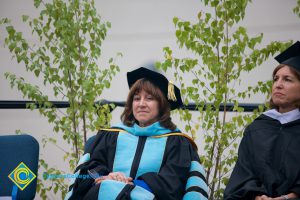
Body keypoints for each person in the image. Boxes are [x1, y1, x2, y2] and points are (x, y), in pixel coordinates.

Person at [65, 67, 208, 200]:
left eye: (149, 98)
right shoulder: (110, 136)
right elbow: (87, 172)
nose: (141, 104)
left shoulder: (176, 143)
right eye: (137, 98)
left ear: (162, 104)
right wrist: (106, 176)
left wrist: (130, 185)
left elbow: (172, 184)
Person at [224, 41, 300, 200]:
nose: (278, 85)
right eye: (275, 79)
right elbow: (243, 175)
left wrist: (289, 197)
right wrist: (256, 196)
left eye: (287, 79)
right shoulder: (257, 128)